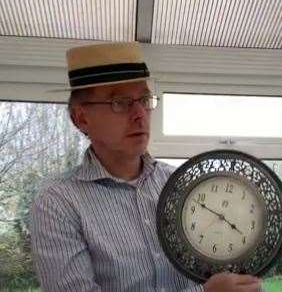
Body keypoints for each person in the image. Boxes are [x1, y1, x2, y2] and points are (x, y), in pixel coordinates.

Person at [29, 42, 262, 292]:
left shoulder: (182, 185)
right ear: (81, 118)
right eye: (120, 102)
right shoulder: (57, 203)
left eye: (144, 99)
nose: (140, 114)